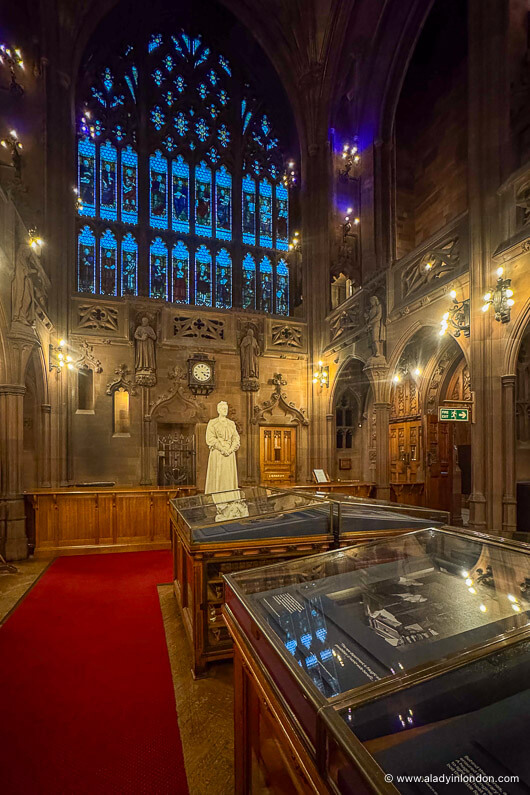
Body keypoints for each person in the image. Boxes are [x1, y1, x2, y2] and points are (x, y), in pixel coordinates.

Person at [205, 401, 240, 494]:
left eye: (226, 409)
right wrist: (222, 449)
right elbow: (210, 438)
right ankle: (218, 497)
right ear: (218, 410)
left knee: (228, 476)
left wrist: (231, 449)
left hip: (229, 454)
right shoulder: (212, 423)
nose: (225, 411)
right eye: (223, 409)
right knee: (218, 475)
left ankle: (230, 497)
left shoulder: (231, 423)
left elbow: (236, 438)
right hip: (218, 453)